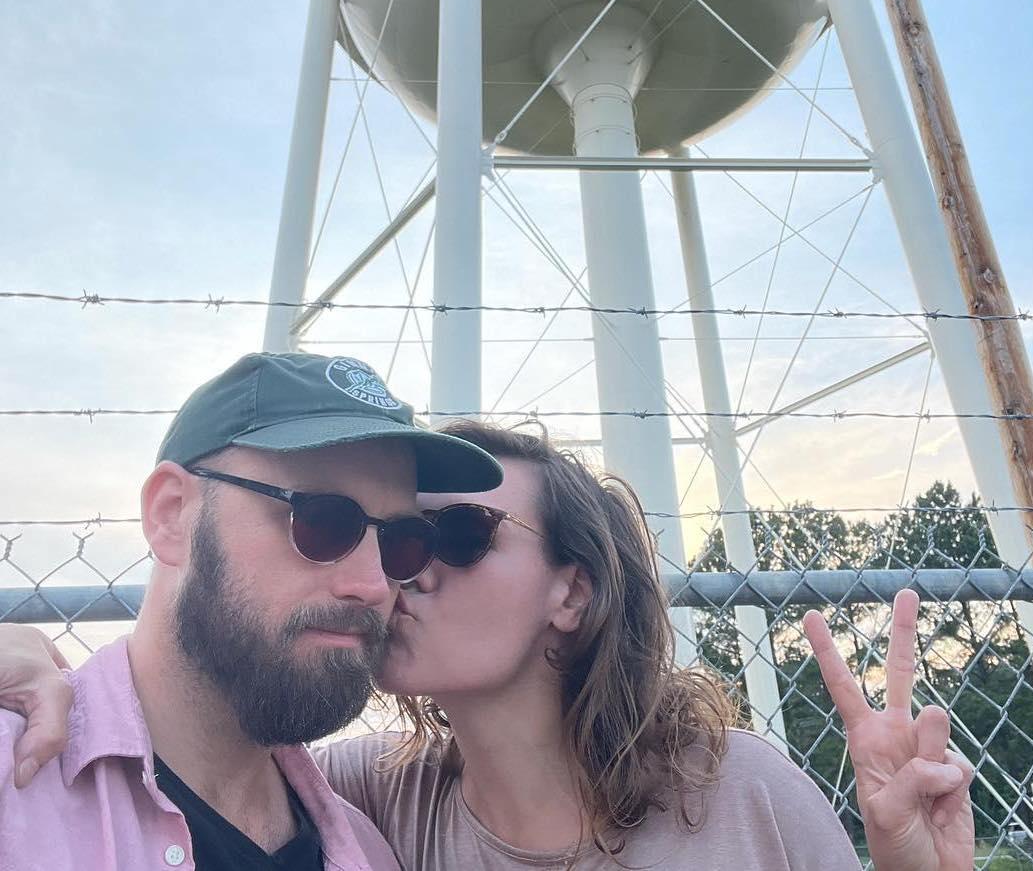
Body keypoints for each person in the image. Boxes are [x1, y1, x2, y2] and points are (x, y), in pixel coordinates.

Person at [1, 394, 974, 869]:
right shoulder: (370, 794)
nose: (388, 572)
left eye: (442, 535)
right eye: (331, 524)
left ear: (570, 594)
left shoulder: (738, 795)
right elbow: (181, 733)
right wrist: (29, 659)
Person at [0, 351, 504, 870]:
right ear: (171, 515)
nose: (374, 584)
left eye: (403, 541)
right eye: (323, 521)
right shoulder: (15, 785)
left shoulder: (367, 849)